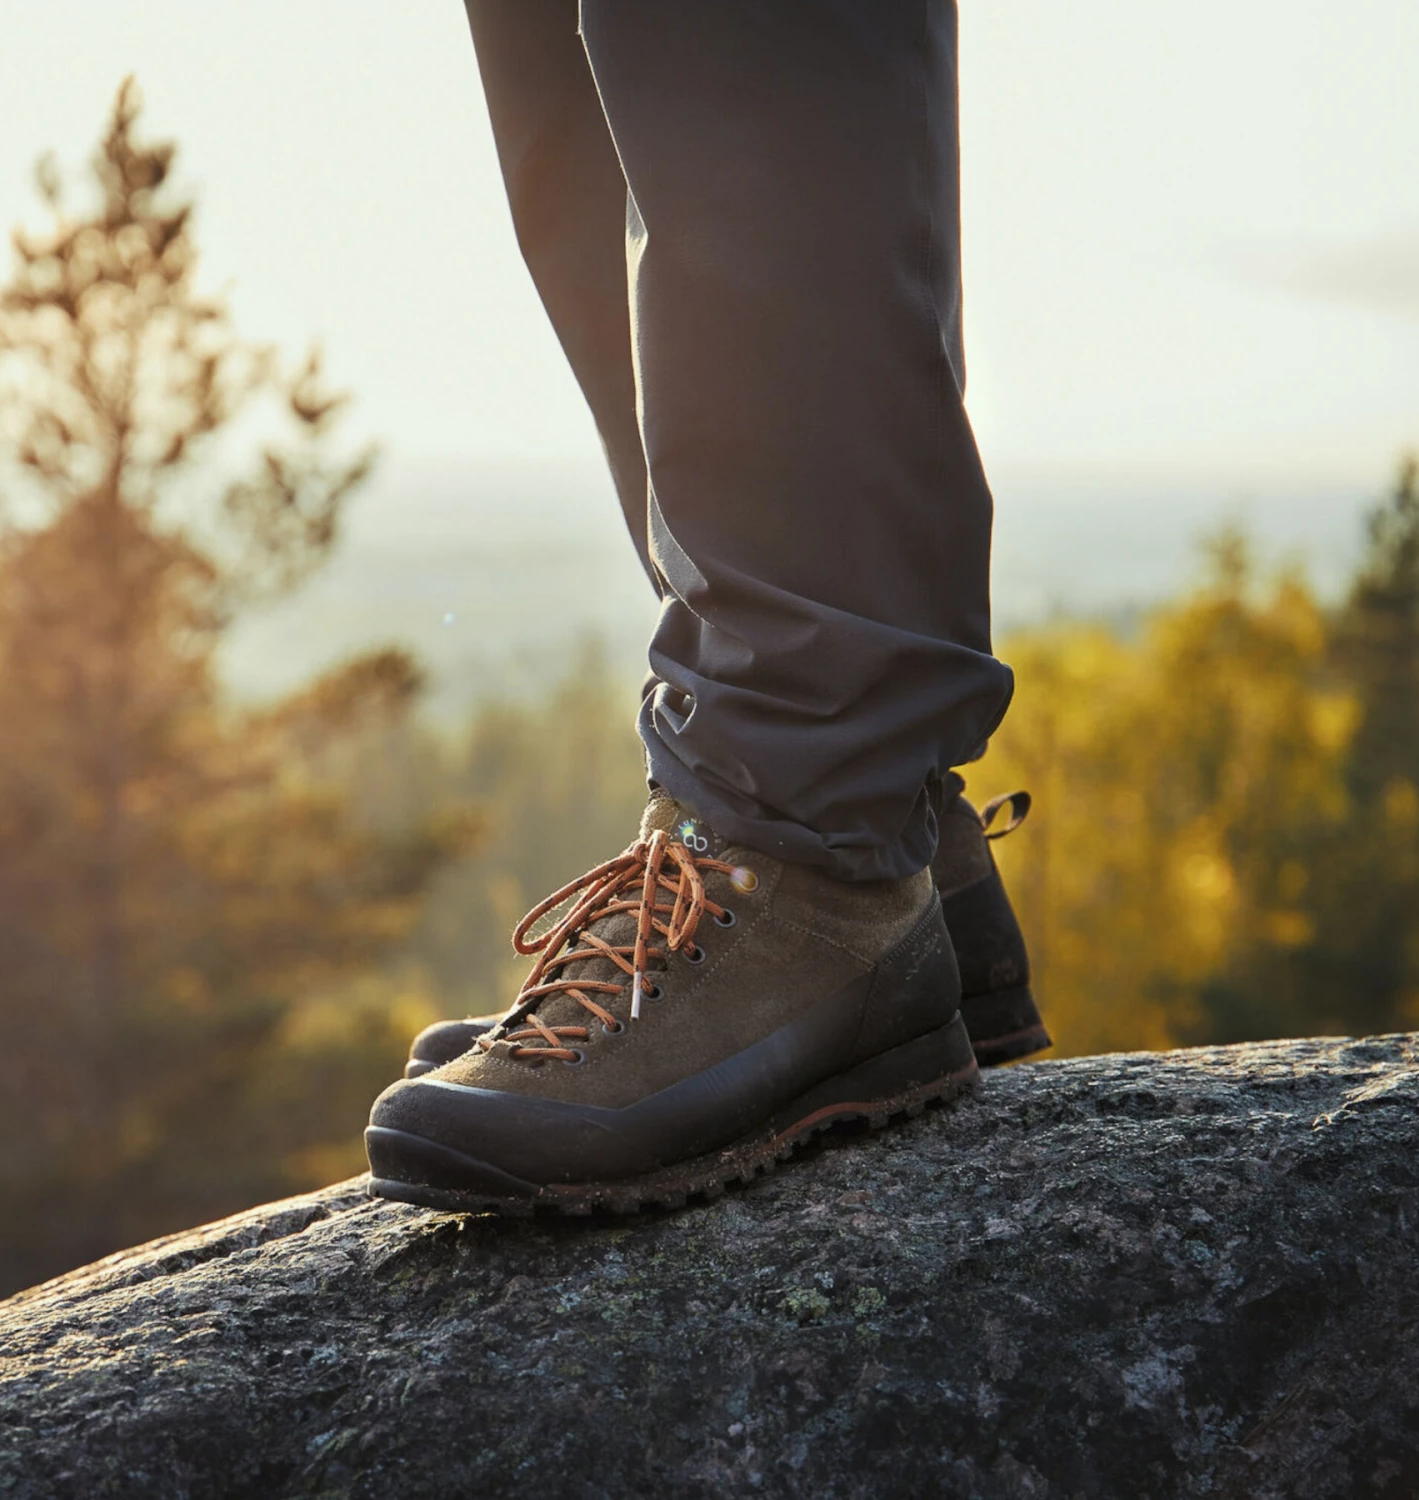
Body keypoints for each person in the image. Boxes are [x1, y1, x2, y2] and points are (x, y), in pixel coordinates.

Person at [364, 0, 1046, 1215]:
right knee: (570, 72)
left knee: (731, 35)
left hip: (818, 790)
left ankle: (817, 829)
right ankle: (880, 828)